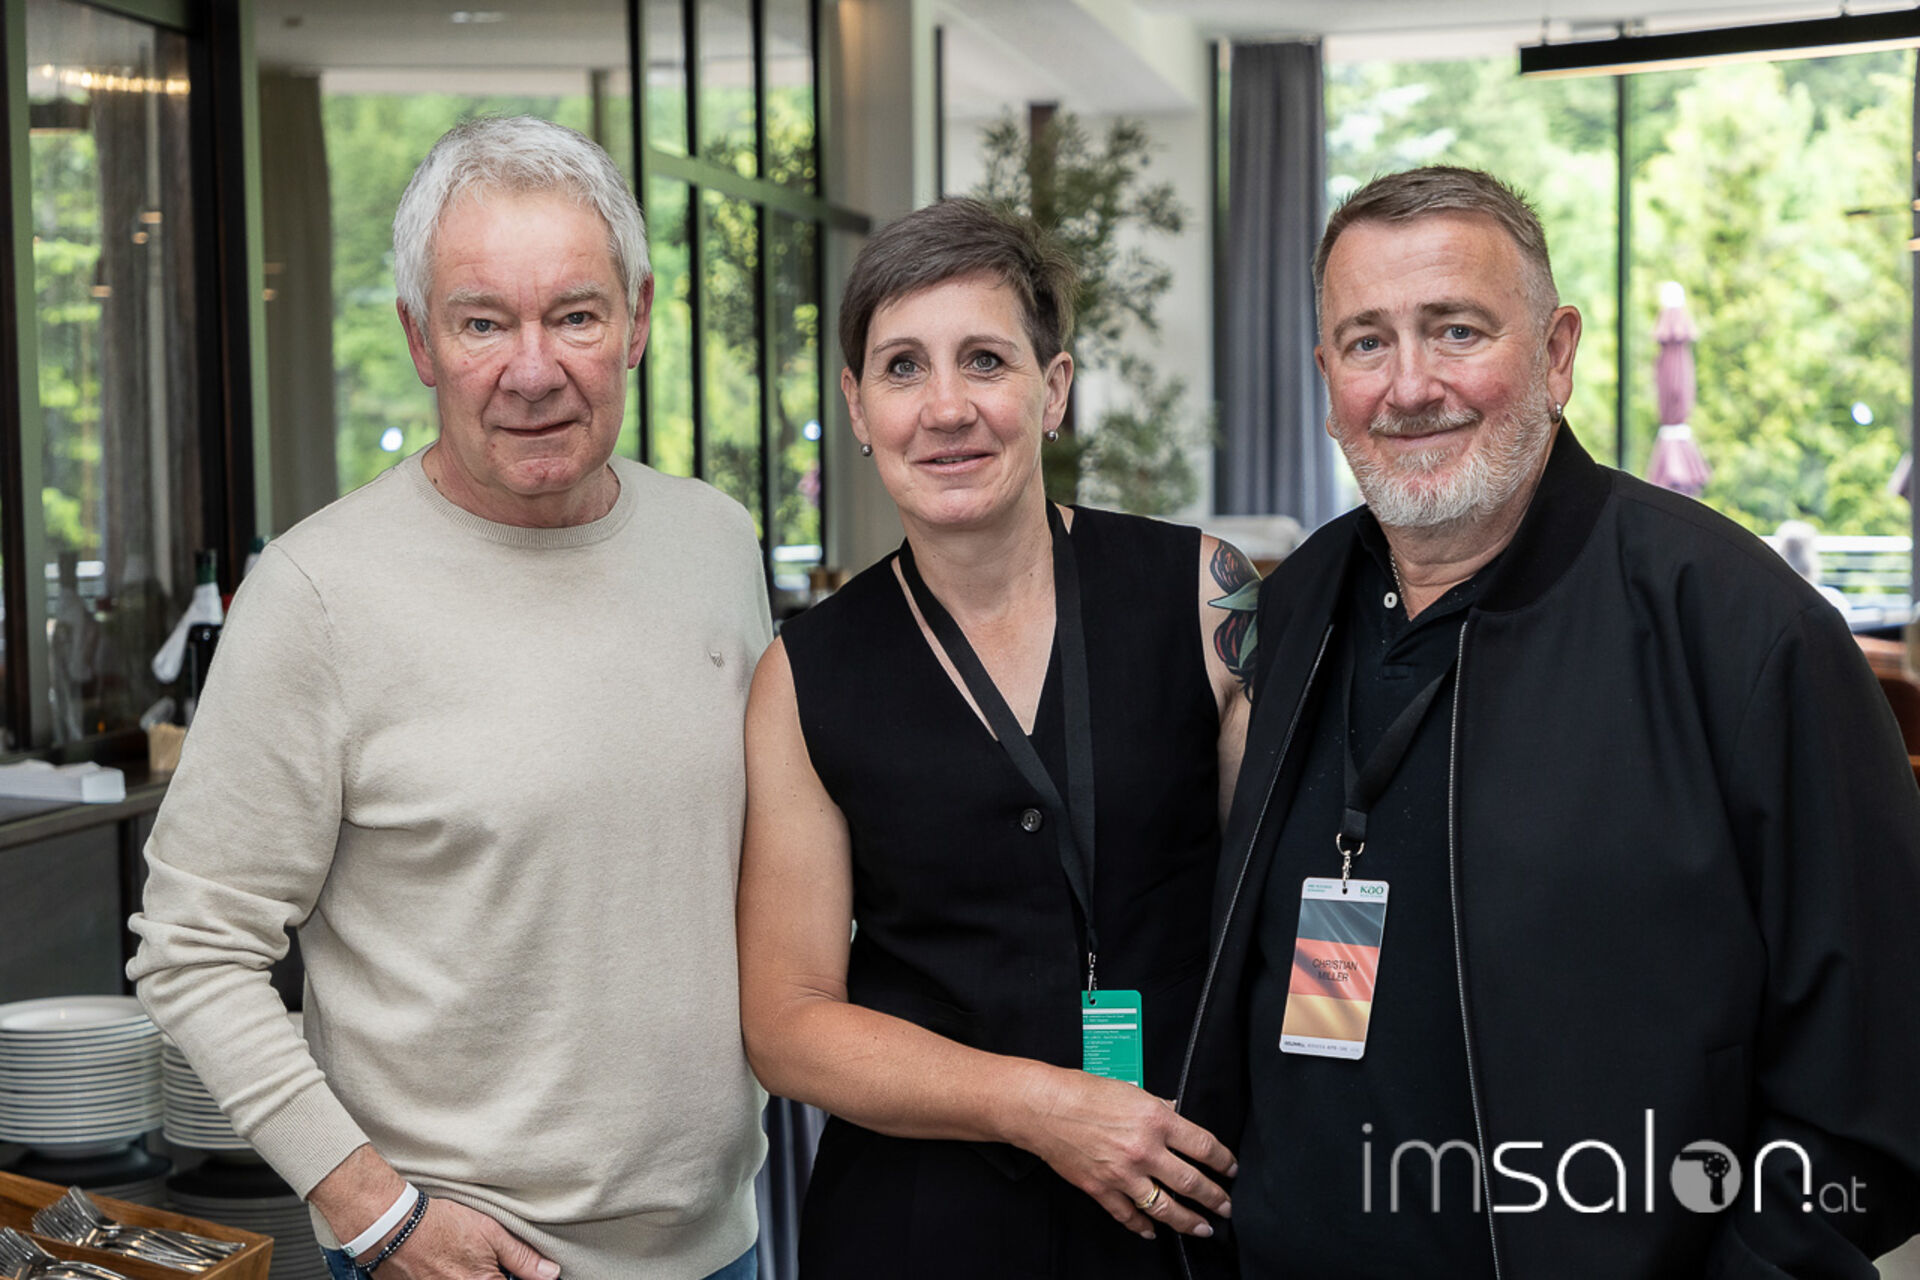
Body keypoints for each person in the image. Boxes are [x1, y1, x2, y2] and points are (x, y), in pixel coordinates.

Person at [1175, 166, 1920, 1278]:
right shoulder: (1289, 616)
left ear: (1558, 353)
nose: (1411, 385)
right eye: (1368, 342)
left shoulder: (1741, 630)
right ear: (1328, 379)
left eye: (1457, 330)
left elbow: (1876, 1091)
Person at [128, 116, 770, 1280]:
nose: (533, 369)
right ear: (419, 339)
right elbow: (191, 945)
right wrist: (374, 1212)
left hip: (723, 1241)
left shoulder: (717, 543)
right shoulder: (318, 594)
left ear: (638, 318)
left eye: (575, 314)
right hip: (461, 1257)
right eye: (483, 322)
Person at [737, 197, 1255, 1278]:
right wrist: (1042, 1106)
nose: (946, 408)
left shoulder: (1206, 595)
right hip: (917, 1230)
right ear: (857, 405)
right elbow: (787, 1021)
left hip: (1182, 1207)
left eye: (985, 360)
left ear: (1052, 389)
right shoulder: (804, 674)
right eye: (903, 368)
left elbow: (1278, 915)